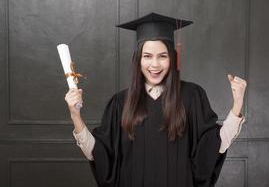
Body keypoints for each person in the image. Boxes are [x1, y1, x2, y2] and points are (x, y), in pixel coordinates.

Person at [64, 12, 247, 187]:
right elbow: (99, 154)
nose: (155, 65)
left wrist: (237, 105)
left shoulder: (192, 96)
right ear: (138, 60)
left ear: (172, 58)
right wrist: (75, 115)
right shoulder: (121, 103)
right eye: (147, 56)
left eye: (162, 56)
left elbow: (212, 148)